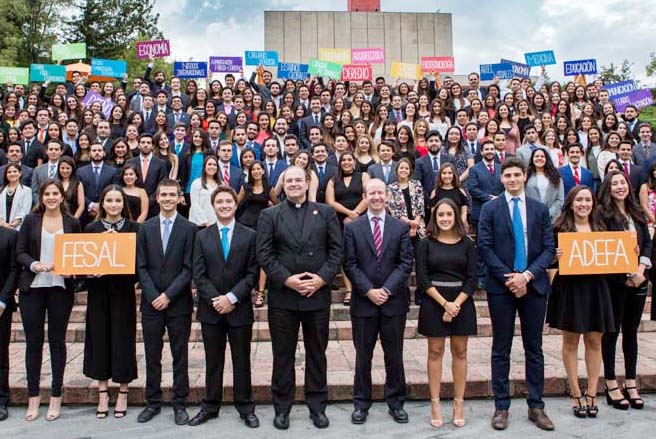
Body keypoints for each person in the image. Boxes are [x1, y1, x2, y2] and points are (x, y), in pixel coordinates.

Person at [256, 166, 342, 430]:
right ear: (283, 184)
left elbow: (337, 251)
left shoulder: (326, 212)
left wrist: (321, 279)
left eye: (298, 180)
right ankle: (282, 408)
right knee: (283, 354)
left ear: (307, 183)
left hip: (316, 295)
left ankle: (317, 406)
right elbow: (264, 254)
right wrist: (286, 280)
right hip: (284, 297)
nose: (294, 184)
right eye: (288, 180)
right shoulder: (269, 215)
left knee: (317, 352)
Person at [477, 158, 556, 431]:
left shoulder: (539, 208)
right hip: (501, 287)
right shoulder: (490, 208)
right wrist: (510, 277)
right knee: (501, 347)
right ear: (501, 179)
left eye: (516, 175)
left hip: (533, 286)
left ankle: (536, 405)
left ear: (524, 176)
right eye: (507, 175)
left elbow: (548, 248)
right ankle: (501, 406)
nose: (512, 179)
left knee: (534, 348)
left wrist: (527, 276)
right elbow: (485, 247)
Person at [343, 178, 413, 425]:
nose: (376, 197)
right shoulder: (352, 228)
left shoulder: (400, 227)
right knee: (363, 356)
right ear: (365, 195)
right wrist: (369, 291)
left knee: (394, 355)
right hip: (364, 303)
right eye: (371, 193)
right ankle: (361, 403)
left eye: (380, 193)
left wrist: (386, 289)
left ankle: (396, 402)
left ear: (387, 196)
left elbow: (406, 263)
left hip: (394, 302)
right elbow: (349, 264)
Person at [189, 185, 260, 428]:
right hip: (211, 310)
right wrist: (216, 299)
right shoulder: (202, 236)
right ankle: (210, 406)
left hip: (239, 309)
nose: (224, 205)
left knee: (242, 360)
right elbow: (198, 274)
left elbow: (252, 273)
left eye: (228, 201)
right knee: (213, 360)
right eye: (219, 202)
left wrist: (231, 298)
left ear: (235, 204)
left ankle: (245, 407)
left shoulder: (250, 235)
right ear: (214, 205)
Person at [546, 185, 614, 418]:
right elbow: (548, 260)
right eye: (579, 200)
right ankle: (575, 393)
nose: (583, 204)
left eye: (587, 200)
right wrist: (554, 257)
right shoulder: (559, 228)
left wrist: (629, 252)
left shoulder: (602, 227)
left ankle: (593, 393)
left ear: (593, 203)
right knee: (571, 341)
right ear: (571, 203)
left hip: (596, 289)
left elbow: (614, 256)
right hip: (570, 289)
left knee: (595, 340)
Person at [17, 179, 81, 421]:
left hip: (60, 288)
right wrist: (35, 264)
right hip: (32, 288)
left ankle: (55, 397)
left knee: (57, 342)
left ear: (62, 197)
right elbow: (20, 252)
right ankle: (33, 397)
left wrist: (73, 269)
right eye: (47, 194)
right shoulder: (30, 221)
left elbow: (79, 253)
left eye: (56, 193)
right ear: (41, 197)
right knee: (34, 343)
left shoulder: (72, 222)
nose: (51, 197)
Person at [136, 179, 196, 425]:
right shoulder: (145, 228)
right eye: (164, 195)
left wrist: (168, 295)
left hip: (178, 302)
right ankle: (153, 401)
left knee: (179, 354)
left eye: (173, 194)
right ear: (157, 198)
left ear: (180, 198)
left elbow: (189, 267)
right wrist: (153, 296)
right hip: (151, 303)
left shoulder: (189, 228)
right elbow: (140, 266)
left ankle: (180, 403)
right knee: (152, 354)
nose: (169, 198)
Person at [416, 198, 477, 428]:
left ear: (456, 217)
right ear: (435, 217)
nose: (444, 219)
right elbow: (422, 278)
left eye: (449, 215)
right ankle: (435, 402)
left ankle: (458, 403)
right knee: (435, 351)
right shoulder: (425, 243)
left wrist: (456, 304)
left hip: (462, 301)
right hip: (434, 302)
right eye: (440, 215)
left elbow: (472, 278)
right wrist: (445, 304)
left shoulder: (467, 244)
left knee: (460, 352)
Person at [83, 185, 139, 419]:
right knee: (100, 338)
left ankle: (123, 392)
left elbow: (140, 265)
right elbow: (81, 264)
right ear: (102, 203)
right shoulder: (91, 229)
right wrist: (89, 271)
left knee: (123, 340)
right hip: (98, 293)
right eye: (109, 200)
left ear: (123, 204)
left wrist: (121, 245)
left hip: (123, 293)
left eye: (118, 200)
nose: (114, 205)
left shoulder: (134, 228)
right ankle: (103, 392)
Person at [598, 171, 652, 411]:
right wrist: (625, 275)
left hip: (639, 279)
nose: (620, 187)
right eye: (615, 184)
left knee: (631, 332)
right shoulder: (602, 214)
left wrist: (640, 269)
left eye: (623, 183)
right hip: (615, 282)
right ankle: (611, 383)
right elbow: (602, 247)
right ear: (608, 188)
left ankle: (631, 382)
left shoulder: (637, 212)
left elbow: (648, 244)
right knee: (611, 332)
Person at [326, 152, 369, 306]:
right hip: (340, 220)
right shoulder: (333, 179)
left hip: (361, 218)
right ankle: (349, 291)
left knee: (363, 252)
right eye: (343, 160)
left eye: (349, 159)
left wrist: (354, 214)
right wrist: (348, 213)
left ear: (354, 161)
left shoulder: (363, 176)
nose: (346, 162)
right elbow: (330, 202)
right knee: (346, 254)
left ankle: (364, 286)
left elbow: (368, 195)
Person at [386, 158, 426, 246]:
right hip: (400, 227)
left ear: (410, 171)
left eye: (406, 168)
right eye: (401, 168)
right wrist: (409, 223)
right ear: (397, 170)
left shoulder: (417, 184)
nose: (404, 170)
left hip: (418, 226)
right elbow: (394, 211)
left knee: (420, 253)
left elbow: (420, 206)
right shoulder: (390, 188)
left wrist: (415, 225)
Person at [127, 133, 169, 218]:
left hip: (154, 206)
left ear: (153, 146)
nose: (145, 145)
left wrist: (149, 201)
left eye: (148, 143)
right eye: (143, 142)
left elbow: (162, 183)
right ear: (138, 145)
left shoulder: (160, 163)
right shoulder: (130, 162)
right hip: (134, 205)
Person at [0, 226, 18, 421]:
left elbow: (14, 270)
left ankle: (1, 400)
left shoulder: (10, 236)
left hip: (1, 306)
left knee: (1, 355)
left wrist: (3, 300)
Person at [525, 148, 565, 223]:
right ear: (532, 159)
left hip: (553, 219)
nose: (539, 158)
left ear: (546, 159)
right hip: (533, 218)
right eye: (536, 156)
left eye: (542, 156)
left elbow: (560, 199)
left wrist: (549, 213)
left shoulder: (556, 176)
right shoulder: (526, 177)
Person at [189, 156, 220, 228]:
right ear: (204, 167)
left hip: (216, 224)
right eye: (209, 164)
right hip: (200, 224)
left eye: (214, 165)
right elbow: (195, 205)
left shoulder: (221, 184)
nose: (212, 167)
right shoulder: (196, 183)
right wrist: (205, 222)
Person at [0, 163, 32, 230]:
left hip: (18, 228)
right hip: (1, 227)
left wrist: (16, 222)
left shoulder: (27, 191)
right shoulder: (1, 190)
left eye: (15, 171)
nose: (12, 174)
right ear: (6, 175)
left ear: (20, 173)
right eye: (9, 172)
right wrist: (3, 223)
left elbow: (25, 210)